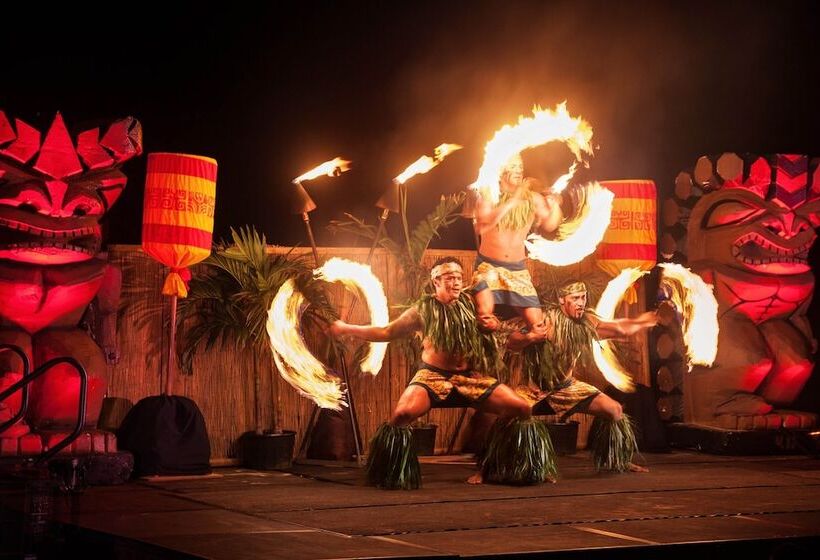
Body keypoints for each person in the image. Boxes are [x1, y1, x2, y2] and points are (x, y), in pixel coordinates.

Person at [330, 257, 555, 489]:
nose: (456, 283)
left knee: (521, 408)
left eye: (458, 278)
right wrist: (348, 329)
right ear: (436, 281)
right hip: (433, 376)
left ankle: (498, 467)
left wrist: (497, 327)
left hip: (470, 377)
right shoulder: (422, 311)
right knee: (401, 414)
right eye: (450, 278)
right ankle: (389, 473)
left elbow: (500, 328)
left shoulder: (471, 306)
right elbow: (387, 331)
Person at [503, 280, 674, 474]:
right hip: (536, 388)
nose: (581, 302)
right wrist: (529, 338)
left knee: (614, 410)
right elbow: (511, 341)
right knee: (506, 418)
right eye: (575, 298)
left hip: (568, 388)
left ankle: (618, 460)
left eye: (583, 297)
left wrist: (646, 320)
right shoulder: (546, 321)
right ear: (561, 300)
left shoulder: (586, 323)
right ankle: (496, 467)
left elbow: (619, 328)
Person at [472, 153, 563, 332]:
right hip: (488, 268)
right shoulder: (488, 196)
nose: (519, 169)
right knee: (485, 317)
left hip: (517, 271)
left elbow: (551, 225)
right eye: (513, 166)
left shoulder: (533, 199)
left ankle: (517, 349)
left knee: (539, 327)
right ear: (500, 171)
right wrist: (513, 201)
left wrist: (555, 207)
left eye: (520, 166)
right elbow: (482, 225)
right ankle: (498, 347)